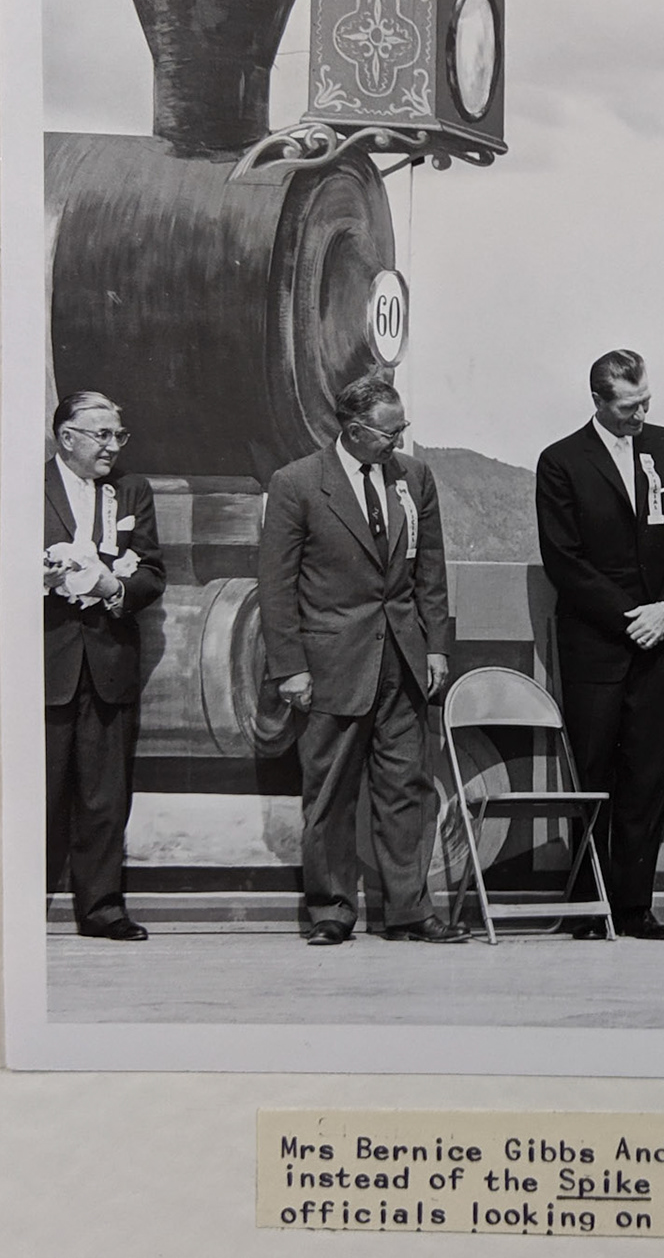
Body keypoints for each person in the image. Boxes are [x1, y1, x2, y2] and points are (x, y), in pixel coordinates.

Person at [258, 371, 465, 945]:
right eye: (389, 434)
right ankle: (331, 911)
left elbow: (431, 573)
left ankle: (410, 912)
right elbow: (276, 587)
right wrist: (291, 667)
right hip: (329, 667)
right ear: (353, 430)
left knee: (407, 789)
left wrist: (437, 649)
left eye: (402, 431)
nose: (398, 443)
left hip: (403, 663)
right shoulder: (297, 483)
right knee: (329, 794)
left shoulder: (415, 479)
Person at [536, 350, 664, 942]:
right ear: (598, 402)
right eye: (628, 406)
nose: (641, 415)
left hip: (660, 642)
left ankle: (635, 907)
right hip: (597, 648)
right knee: (595, 774)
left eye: (646, 403)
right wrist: (626, 617)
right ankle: (590, 907)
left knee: (649, 775)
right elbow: (565, 558)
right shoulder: (560, 462)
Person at [44, 392, 165, 941]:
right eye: (102, 435)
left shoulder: (131, 491)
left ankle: (102, 910)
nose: (113, 446)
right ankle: (18, 909)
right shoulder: (25, 489)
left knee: (105, 796)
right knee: (37, 794)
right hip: (45, 664)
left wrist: (116, 586)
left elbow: (153, 571)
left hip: (110, 664)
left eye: (119, 436)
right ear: (67, 437)